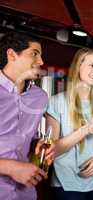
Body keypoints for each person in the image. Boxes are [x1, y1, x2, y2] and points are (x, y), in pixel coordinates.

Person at [46, 48, 93, 200]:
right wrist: (86, 129)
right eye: (92, 65)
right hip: (66, 183)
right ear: (78, 67)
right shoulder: (56, 102)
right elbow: (51, 150)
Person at [0, 32, 55, 200]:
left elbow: (21, 137)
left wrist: (36, 145)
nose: (41, 62)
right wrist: (9, 168)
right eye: (34, 54)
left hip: (26, 192)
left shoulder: (40, 97)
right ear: (11, 55)